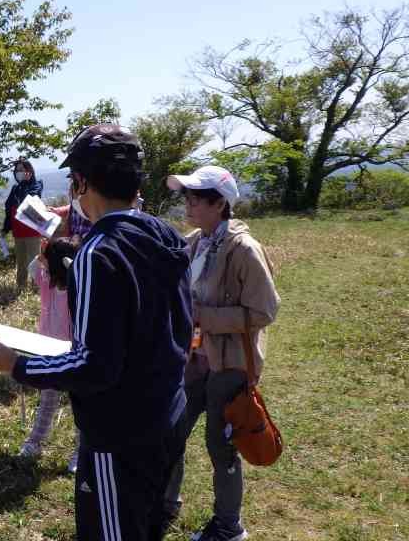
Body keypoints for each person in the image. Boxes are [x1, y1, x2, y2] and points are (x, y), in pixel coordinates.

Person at [0, 123, 192, 541]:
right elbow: (182, 325)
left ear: (82, 183)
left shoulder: (98, 252)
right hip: (167, 412)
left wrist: (15, 364)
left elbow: (94, 365)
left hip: (119, 433)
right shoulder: (164, 234)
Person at [163, 165, 280, 541]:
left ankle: (229, 527)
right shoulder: (197, 240)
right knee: (172, 430)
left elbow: (265, 311)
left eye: (196, 197)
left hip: (230, 363)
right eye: (187, 196)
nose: (188, 203)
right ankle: (164, 504)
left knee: (221, 443)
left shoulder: (243, 249)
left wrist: (205, 317)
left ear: (219, 204)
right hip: (194, 358)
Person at [19, 236, 82, 473]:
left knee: (79, 403)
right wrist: (43, 251)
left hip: (72, 353)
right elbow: (33, 267)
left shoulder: (77, 288)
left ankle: (80, 451)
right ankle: (34, 442)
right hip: (47, 351)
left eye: (46, 259)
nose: (42, 263)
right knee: (47, 401)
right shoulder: (47, 283)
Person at [3, 160, 44, 289]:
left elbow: (28, 200)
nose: (19, 173)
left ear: (29, 171)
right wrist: (6, 228)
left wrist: (25, 183)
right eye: (17, 170)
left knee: (34, 261)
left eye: (22, 170)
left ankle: (37, 287)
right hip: (18, 231)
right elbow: (9, 209)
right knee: (21, 262)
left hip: (32, 231)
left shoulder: (37, 185)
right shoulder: (15, 188)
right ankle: (21, 287)